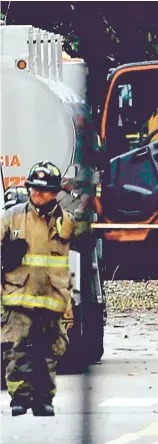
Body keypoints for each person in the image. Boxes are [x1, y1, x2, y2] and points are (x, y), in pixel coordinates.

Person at [1, 162, 89, 416]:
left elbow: (85, 241)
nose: (37, 194)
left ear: (54, 193)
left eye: (44, 190)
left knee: (49, 351)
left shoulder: (65, 221)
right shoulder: (12, 217)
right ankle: (20, 397)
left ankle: (43, 399)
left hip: (52, 297)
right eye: (34, 188)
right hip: (18, 296)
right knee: (17, 349)